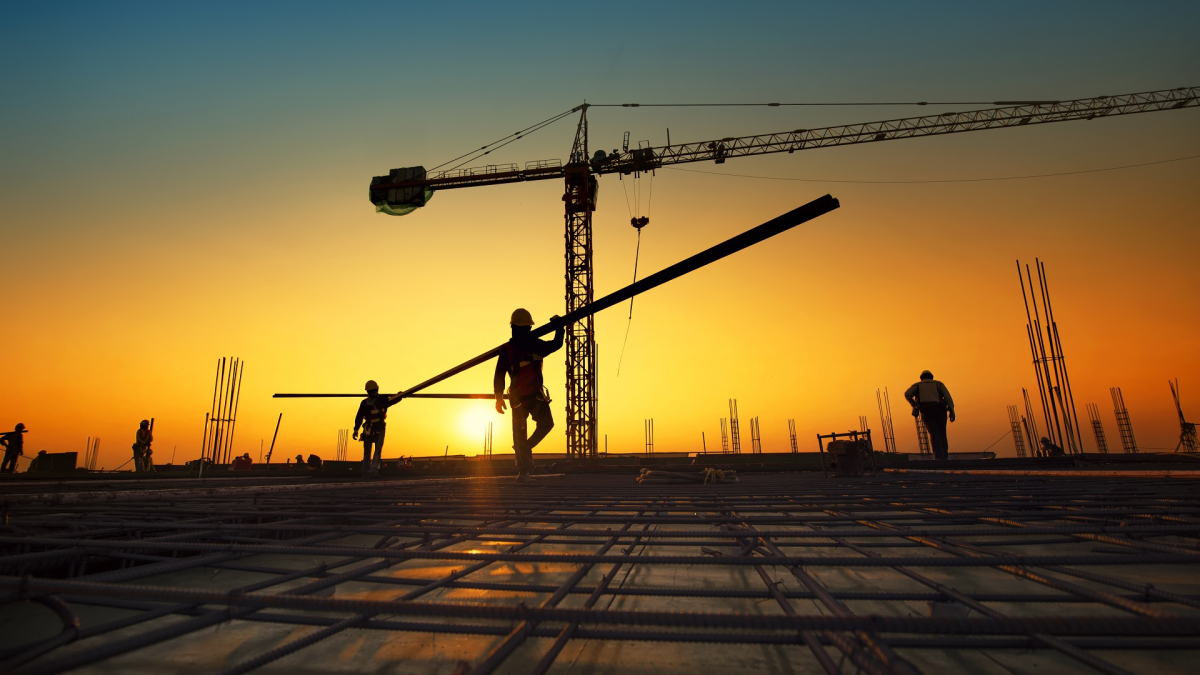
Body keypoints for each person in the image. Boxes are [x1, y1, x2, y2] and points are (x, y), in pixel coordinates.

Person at [494, 308, 565, 482]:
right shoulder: (511, 349)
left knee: (543, 425)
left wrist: (559, 327)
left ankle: (525, 450)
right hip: (520, 399)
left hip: (532, 397)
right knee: (521, 433)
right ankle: (524, 469)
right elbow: (500, 374)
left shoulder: (533, 345)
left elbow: (556, 344)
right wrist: (498, 397)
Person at [904, 370, 955, 460]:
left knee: (934, 434)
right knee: (942, 434)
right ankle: (945, 457)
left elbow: (907, 394)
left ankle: (939, 458)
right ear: (932, 377)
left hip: (927, 411)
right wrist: (952, 412)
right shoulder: (938, 384)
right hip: (940, 410)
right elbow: (948, 398)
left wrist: (915, 405)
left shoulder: (918, 385)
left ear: (922, 378)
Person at [353, 380, 398, 476]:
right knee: (368, 451)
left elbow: (393, 400)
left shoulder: (382, 400)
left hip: (379, 429)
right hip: (369, 430)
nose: (372, 393)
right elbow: (359, 416)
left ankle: (373, 470)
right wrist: (356, 429)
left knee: (377, 450)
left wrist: (400, 396)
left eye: (373, 390)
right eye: (371, 391)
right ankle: (366, 470)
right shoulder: (365, 403)